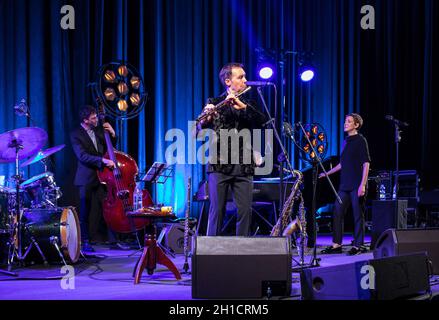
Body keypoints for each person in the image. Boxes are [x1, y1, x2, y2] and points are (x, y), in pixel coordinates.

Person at [197, 63, 266, 236]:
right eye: (240, 77)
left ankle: (240, 252)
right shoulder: (214, 102)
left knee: (244, 211)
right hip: (220, 164)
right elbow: (199, 129)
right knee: (217, 210)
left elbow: (263, 122)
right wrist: (206, 119)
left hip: (244, 164)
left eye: (244, 76)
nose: (245, 80)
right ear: (228, 81)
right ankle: (211, 252)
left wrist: (242, 107)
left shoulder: (249, 102)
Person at [70, 105, 120, 252]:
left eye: (96, 116)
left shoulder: (98, 131)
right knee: (86, 211)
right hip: (86, 177)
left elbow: (109, 149)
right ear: (85, 120)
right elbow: (82, 156)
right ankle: (86, 242)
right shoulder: (75, 134)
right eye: (93, 118)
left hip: (102, 176)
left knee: (109, 207)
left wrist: (112, 134)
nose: (96, 119)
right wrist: (103, 161)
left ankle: (113, 240)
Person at [320, 113, 371, 255]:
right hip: (344, 185)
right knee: (337, 211)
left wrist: (363, 184)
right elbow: (342, 164)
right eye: (345, 121)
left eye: (349, 122)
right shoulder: (346, 141)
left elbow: (366, 163)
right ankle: (337, 245)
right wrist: (327, 173)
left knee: (357, 215)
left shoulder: (361, 140)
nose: (345, 123)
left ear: (356, 125)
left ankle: (358, 245)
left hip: (356, 184)